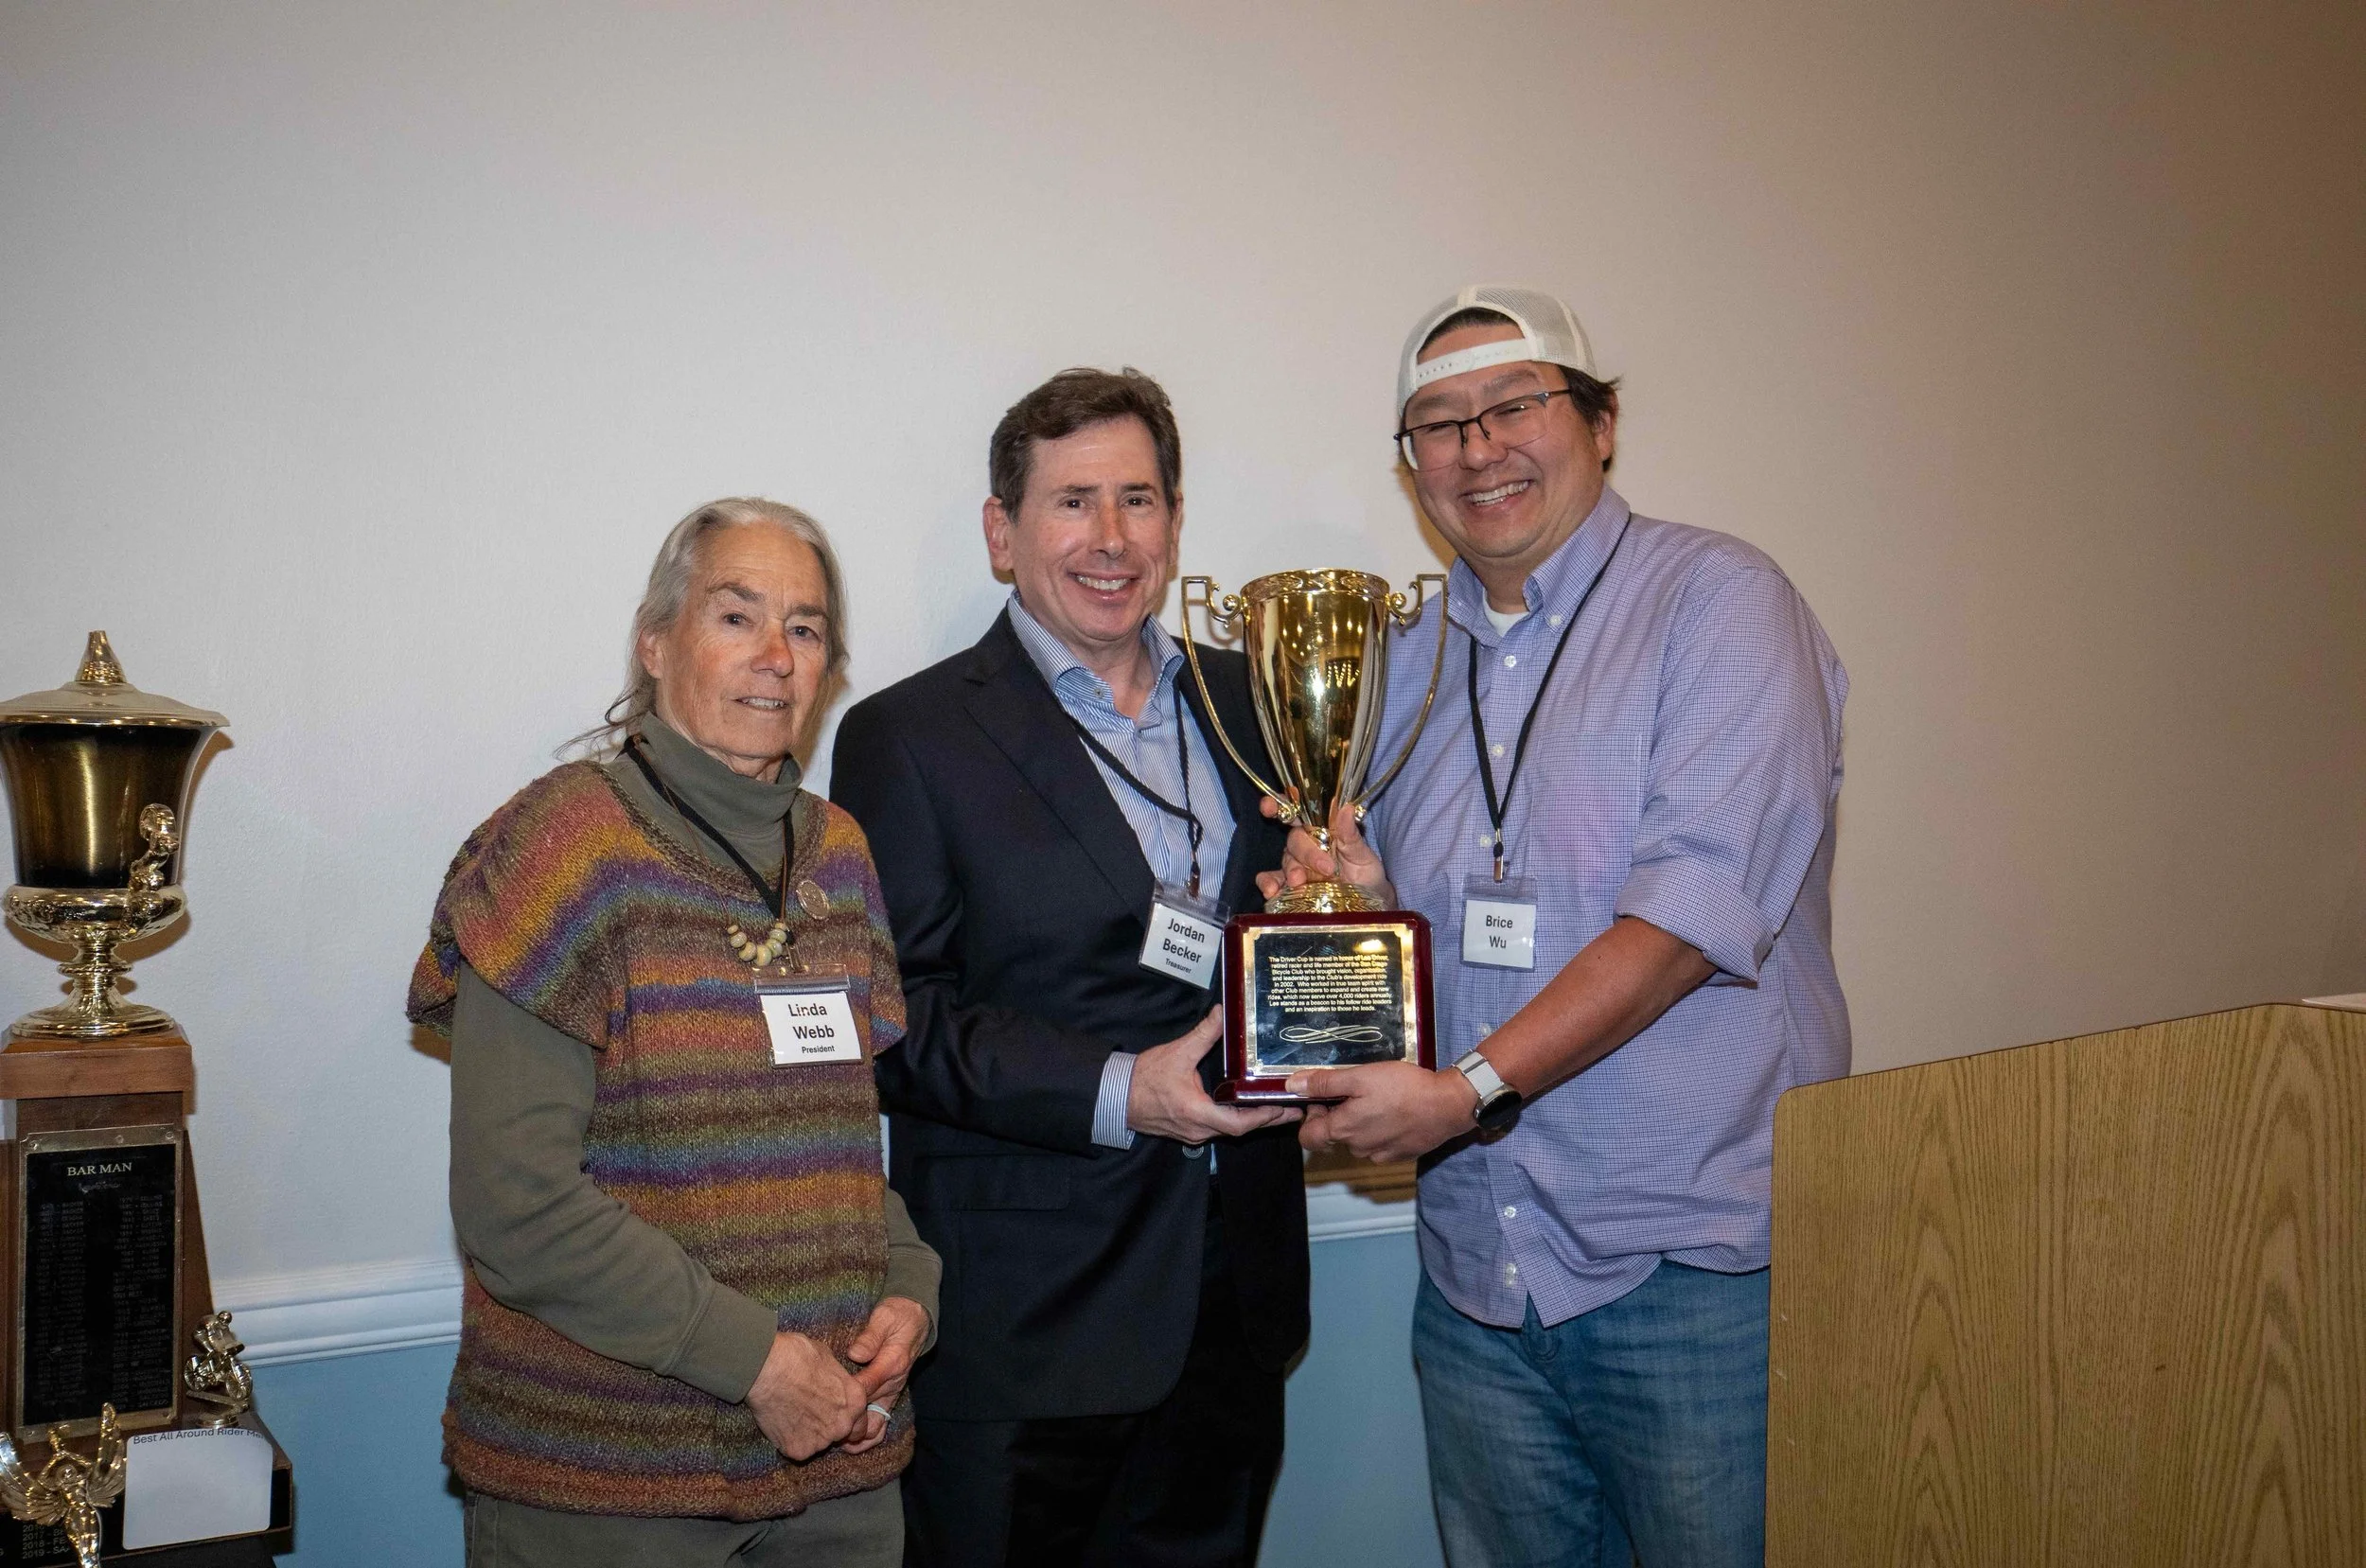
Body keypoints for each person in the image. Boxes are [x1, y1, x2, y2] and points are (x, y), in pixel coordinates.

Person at [1268, 286, 1850, 1566]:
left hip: (1692, 1275)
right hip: (1476, 1278)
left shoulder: (1721, 602)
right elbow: (1431, 944)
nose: (1477, 449)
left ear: (1600, 423)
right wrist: (1359, 913)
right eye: (1438, 425)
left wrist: (1465, 1091)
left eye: (1512, 406)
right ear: (1411, 465)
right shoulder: (1405, 663)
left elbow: (1689, 922)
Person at [830, 368, 1310, 1568]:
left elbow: (1292, 942)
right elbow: (895, 1020)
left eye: (1137, 499)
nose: (1110, 537)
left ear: (1174, 521)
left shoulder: (1257, 700)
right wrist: (1122, 1089)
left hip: (1230, 1303)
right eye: (1072, 501)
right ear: (1003, 533)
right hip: (1024, 1329)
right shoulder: (908, 736)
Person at [408, 498, 940, 1568]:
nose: (775, 655)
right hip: (608, 1486)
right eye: (736, 616)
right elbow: (515, 1203)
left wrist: (908, 1284)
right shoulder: (562, 848)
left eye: (805, 627)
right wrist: (757, 1361)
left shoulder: (839, 854)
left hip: (839, 1478)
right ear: (655, 643)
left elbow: (837, 1153)